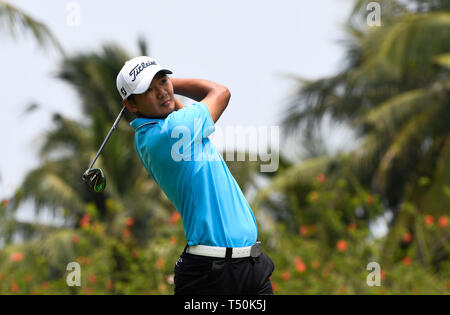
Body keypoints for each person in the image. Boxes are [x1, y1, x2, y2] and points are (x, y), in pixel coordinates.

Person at [116, 56, 274, 295]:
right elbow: (220, 92)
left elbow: (181, 108)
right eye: (149, 90)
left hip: (251, 267)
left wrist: (164, 88)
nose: (161, 92)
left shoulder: (164, 130)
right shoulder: (170, 132)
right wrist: (172, 85)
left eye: (162, 81)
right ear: (131, 105)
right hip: (211, 274)